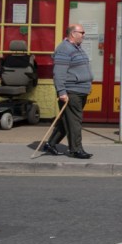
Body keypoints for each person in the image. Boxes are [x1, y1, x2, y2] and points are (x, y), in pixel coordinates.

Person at [42, 24, 94, 158]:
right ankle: (76, 149)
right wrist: (62, 92)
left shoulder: (77, 48)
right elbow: (59, 73)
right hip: (71, 91)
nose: (84, 35)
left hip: (80, 90)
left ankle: (50, 144)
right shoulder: (64, 49)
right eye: (81, 32)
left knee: (67, 120)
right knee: (75, 121)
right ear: (72, 34)